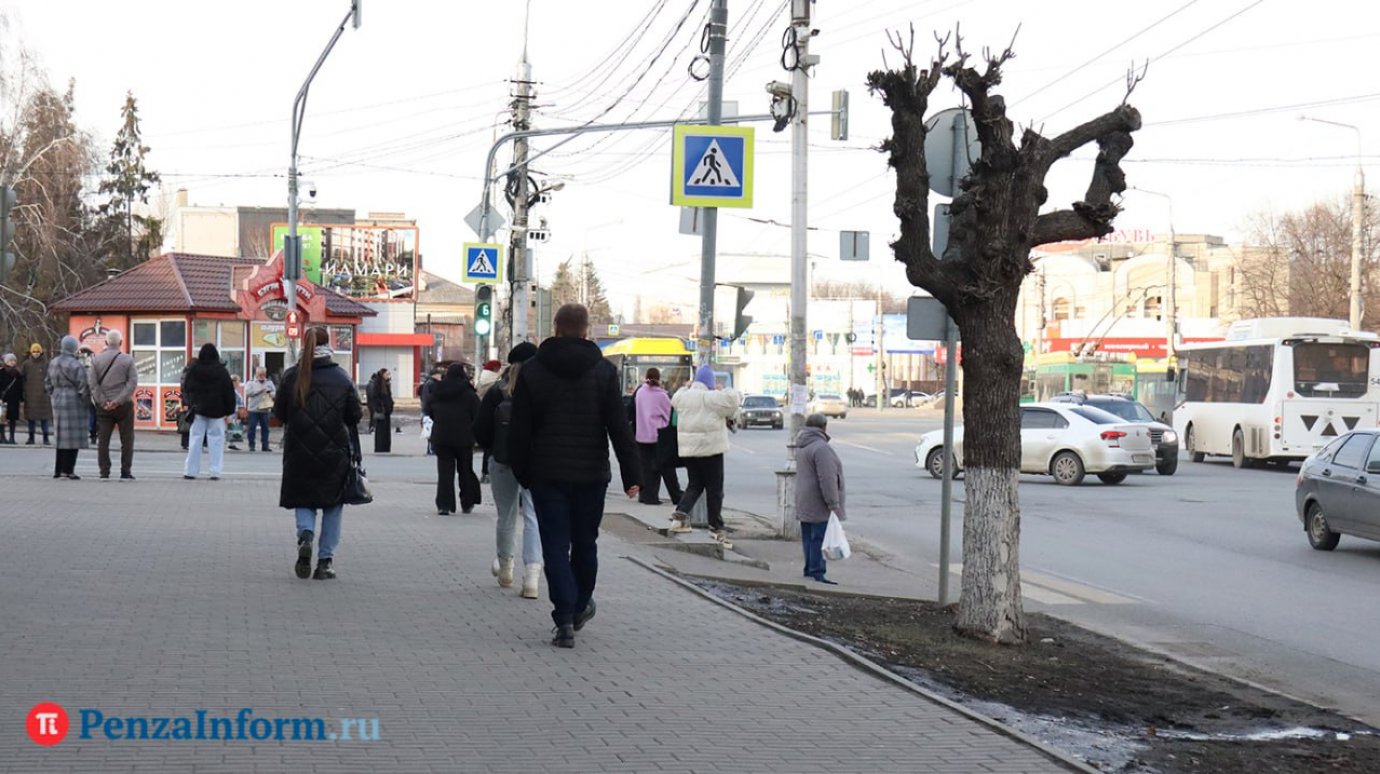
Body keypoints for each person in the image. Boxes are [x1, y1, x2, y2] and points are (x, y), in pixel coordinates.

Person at [509, 303, 641, 649]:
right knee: (585, 543)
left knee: (554, 544)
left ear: (555, 327)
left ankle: (564, 617)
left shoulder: (533, 371)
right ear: (586, 330)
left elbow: (520, 430)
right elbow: (618, 427)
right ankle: (580, 605)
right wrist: (632, 475)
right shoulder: (603, 371)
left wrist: (524, 473)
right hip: (591, 474)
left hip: (546, 473)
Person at [275, 327, 363, 581]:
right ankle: (325, 562)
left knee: (304, 499)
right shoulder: (341, 377)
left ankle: (305, 535)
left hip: (298, 451)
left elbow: (280, 413)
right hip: (334, 453)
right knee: (333, 505)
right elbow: (355, 416)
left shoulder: (292, 376)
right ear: (329, 345)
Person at [474, 342, 543, 598]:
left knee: (507, 516)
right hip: (535, 463)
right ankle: (532, 578)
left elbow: (480, 428)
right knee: (534, 517)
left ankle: (506, 569)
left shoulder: (497, 391)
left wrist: (492, 447)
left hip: (502, 460)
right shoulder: (542, 390)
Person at [669, 364, 742, 548]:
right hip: (710, 450)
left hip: (689, 451)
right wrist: (722, 388)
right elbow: (734, 399)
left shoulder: (682, 397)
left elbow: (675, 397)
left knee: (695, 484)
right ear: (710, 381)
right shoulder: (710, 398)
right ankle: (715, 526)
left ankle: (680, 515)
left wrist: (686, 386)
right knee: (714, 489)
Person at [795, 413, 846, 585]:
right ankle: (817, 572)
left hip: (804, 498)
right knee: (819, 538)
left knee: (809, 536)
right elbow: (827, 478)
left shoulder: (803, 445)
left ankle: (809, 569)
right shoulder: (821, 448)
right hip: (818, 500)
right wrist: (833, 502)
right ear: (824, 426)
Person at [426, 362, 482, 515]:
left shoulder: (437, 390)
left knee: (445, 472)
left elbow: (429, 410)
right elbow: (477, 415)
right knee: (465, 470)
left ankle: (444, 505)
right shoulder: (469, 394)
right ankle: (467, 502)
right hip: (464, 438)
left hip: (442, 437)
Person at [88, 330, 138, 481]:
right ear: (121, 343)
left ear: (106, 343)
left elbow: (92, 383)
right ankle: (125, 471)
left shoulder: (96, 360)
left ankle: (104, 471)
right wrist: (118, 400)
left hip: (103, 407)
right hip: (124, 406)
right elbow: (132, 382)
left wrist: (103, 401)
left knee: (103, 440)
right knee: (127, 440)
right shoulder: (128, 360)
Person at [181, 343, 236, 480]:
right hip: (217, 411)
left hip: (198, 410)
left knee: (195, 440)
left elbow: (187, 388)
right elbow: (229, 392)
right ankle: (215, 472)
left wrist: (189, 403)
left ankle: (190, 471)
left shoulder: (194, 370)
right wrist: (229, 411)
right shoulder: (222, 371)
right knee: (216, 441)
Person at [633, 367, 683, 505]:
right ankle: (676, 495)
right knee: (666, 467)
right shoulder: (662, 396)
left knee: (645, 468)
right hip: (657, 436)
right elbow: (668, 415)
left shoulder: (640, 392)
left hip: (641, 435)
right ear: (659, 378)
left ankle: (646, 495)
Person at [44, 336, 90, 479]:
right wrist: (86, 402)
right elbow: (83, 386)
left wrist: (54, 394)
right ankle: (68, 470)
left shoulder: (53, 362)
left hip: (57, 399)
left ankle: (58, 470)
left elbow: (47, 383)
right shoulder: (76, 365)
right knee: (73, 437)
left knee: (61, 435)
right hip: (73, 399)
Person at [21, 343, 52, 445]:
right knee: (31, 418)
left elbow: (51, 378)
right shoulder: (26, 364)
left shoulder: (46, 364)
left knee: (44, 418)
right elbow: (23, 379)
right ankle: (31, 438)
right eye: (34, 351)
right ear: (31, 352)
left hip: (44, 396)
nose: (35, 353)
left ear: (41, 352)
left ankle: (46, 438)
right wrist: (24, 391)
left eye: (37, 351)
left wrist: (48, 390)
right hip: (30, 395)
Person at [476, 359, 502, 484]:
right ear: (495, 369)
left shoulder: (481, 380)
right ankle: (489, 473)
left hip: (483, 415)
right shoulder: (495, 382)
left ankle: (484, 472)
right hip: (495, 417)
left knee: (487, 449)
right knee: (492, 449)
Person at [243, 367, 275, 452]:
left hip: (265, 409)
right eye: (260, 374)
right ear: (256, 374)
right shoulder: (251, 383)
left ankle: (265, 446)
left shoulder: (269, 382)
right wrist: (260, 390)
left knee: (265, 428)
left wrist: (270, 393)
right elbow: (248, 393)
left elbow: (275, 393)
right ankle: (251, 445)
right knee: (252, 427)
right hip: (253, 409)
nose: (262, 376)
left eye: (263, 374)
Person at [419, 365, 444, 456]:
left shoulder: (428, 383)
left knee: (430, 431)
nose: (441, 377)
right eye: (439, 375)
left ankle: (431, 448)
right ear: (435, 375)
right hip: (430, 411)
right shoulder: (432, 384)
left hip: (427, 410)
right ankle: (432, 448)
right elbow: (430, 398)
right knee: (431, 430)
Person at [368, 368, 394, 453]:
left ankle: (386, 447)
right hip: (381, 411)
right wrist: (380, 407)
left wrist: (391, 405)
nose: (388, 376)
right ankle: (380, 447)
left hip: (387, 411)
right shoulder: (378, 384)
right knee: (380, 431)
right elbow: (375, 398)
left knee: (386, 431)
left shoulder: (386, 384)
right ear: (382, 375)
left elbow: (388, 397)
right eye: (387, 374)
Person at [0, 354, 21, 444]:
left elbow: (20, 386)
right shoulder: (1, 372)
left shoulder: (18, 373)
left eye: (13, 360)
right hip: (3, 399)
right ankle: (2, 437)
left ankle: (12, 437)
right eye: (9, 360)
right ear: (5, 362)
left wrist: (21, 398)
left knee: (13, 419)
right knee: (2, 419)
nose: (12, 362)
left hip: (14, 399)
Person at [227, 375, 246, 450]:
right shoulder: (231, 391)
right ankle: (230, 442)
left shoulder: (234, 391)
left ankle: (231, 442)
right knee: (229, 426)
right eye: (238, 381)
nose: (239, 383)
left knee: (233, 426)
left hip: (234, 411)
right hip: (231, 411)